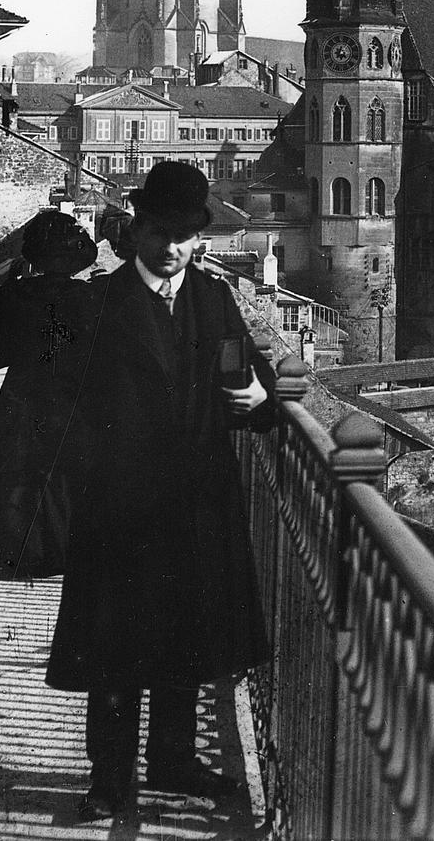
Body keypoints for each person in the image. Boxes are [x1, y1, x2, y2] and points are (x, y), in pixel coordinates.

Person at [46, 162, 276, 821]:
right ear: (137, 230)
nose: (170, 247)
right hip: (120, 509)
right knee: (117, 651)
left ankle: (173, 757)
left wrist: (258, 398)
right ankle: (110, 778)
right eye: (159, 232)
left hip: (197, 501)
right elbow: (69, 410)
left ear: (196, 238)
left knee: (186, 639)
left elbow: (249, 384)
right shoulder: (100, 304)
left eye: (182, 236)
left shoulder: (212, 299)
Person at [0, 209, 98, 577]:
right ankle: (59, 550)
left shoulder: (15, 294)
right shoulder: (89, 297)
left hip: (24, 391)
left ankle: (9, 548)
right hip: (71, 393)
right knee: (61, 467)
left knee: (17, 466)